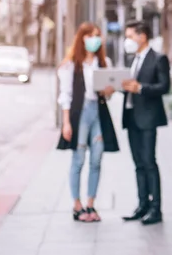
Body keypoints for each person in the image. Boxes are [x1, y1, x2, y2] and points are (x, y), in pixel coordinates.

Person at [57, 22, 119, 222]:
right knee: (79, 158)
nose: (94, 40)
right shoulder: (70, 65)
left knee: (96, 158)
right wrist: (66, 123)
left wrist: (109, 91)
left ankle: (91, 204)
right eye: (90, 35)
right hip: (79, 114)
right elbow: (65, 95)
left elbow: (107, 93)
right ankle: (77, 205)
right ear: (81, 38)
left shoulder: (103, 63)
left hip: (98, 112)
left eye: (97, 36)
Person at [121, 20, 170, 225]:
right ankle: (142, 205)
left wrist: (140, 88)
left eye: (130, 36)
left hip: (148, 117)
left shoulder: (159, 58)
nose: (127, 41)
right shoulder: (133, 59)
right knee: (138, 164)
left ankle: (156, 209)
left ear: (142, 36)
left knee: (149, 162)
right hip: (131, 116)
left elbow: (164, 86)